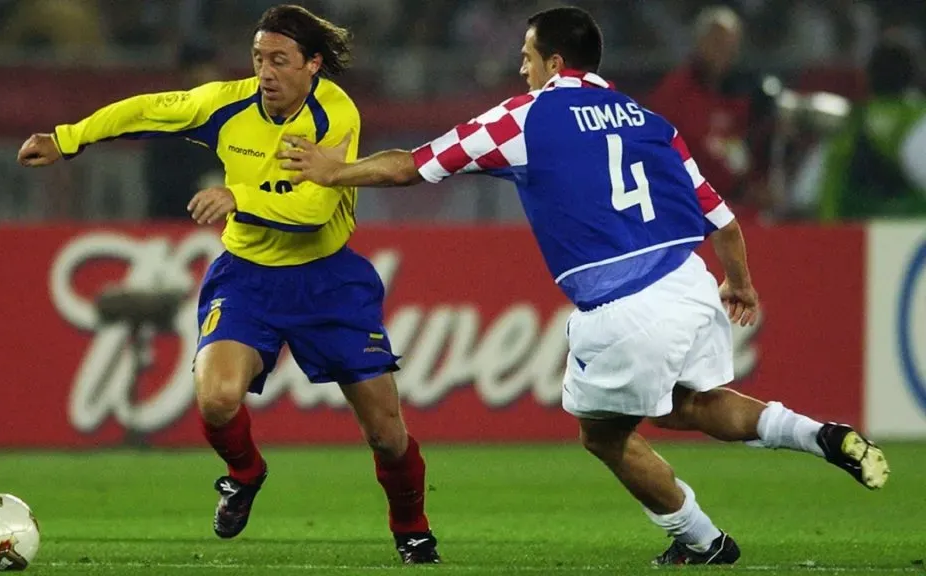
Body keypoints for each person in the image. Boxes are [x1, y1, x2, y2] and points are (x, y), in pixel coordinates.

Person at [279, 6, 889, 566]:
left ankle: (702, 540)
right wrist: (742, 285)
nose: (521, 66)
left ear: (554, 62)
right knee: (693, 405)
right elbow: (723, 219)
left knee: (602, 434)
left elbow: (415, 164)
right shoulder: (652, 122)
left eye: (527, 54)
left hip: (624, 305)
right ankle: (819, 434)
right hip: (690, 280)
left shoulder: (526, 116)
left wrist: (337, 171)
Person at [15, 4, 440, 565]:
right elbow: (147, 111)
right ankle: (245, 473)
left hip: (327, 280)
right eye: (259, 58)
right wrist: (69, 138)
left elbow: (313, 208)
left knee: (386, 434)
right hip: (247, 278)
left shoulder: (334, 114)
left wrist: (239, 197)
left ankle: (411, 529)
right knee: (216, 399)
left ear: (313, 64)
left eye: (280, 60)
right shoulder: (226, 102)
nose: (266, 72)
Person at [647, 6, 766, 217]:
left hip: (732, 204)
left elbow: (744, 149)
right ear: (699, 43)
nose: (723, 51)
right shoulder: (675, 91)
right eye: (716, 42)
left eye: (729, 45)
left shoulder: (742, 95)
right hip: (685, 205)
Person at [814, 36, 926, 220]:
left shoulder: (849, 119)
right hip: (911, 231)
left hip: (845, 233)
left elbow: (807, 189)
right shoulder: (918, 118)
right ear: (915, 75)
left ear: (868, 76)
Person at [142, 40, 227, 220]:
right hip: (176, 222)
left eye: (210, 69)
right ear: (185, 75)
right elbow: (159, 179)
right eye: (200, 69)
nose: (207, 76)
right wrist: (199, 186)